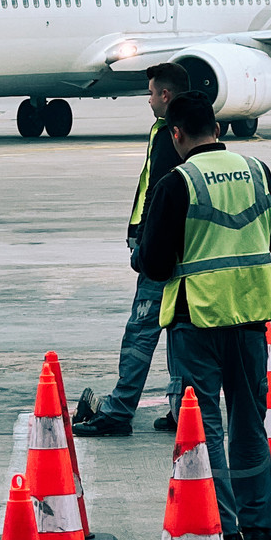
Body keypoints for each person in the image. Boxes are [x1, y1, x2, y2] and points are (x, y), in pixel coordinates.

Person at [137, 91, 271, 540]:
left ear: (176, 134)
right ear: (217, 128)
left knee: (205, 430)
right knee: (250, 424)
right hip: (251, 315)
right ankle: (261, 527)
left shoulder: (178, 182)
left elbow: (153, 263)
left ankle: (226, 532)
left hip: (196, 318)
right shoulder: (259, 172)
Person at [73, 62, 190, 437]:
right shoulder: (178, 129)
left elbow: (161, 194)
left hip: (162, 249)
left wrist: (145, 243)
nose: (149, 98)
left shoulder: (171, 134)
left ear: (166, 95)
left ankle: (119, 409)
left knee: (142, 329)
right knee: (181, 330)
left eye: (152, 92)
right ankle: (181, 408)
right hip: (181, 248)